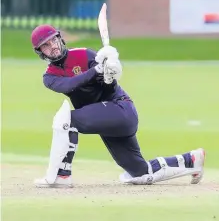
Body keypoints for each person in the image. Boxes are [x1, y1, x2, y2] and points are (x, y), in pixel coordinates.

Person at [31, 24, 206, 188]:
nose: (52, 46)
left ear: (60, 39)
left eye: (53, 40)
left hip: (120, 109)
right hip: (105, 120)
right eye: (45, 46)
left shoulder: (85, 55)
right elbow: (69, 85)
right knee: (140, 173)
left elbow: (108, 86)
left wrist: (110, 72)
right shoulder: (50, 77)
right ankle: (192, 160)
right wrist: (96, 71)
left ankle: (62, 175)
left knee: (66, 120)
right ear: (41, 53)